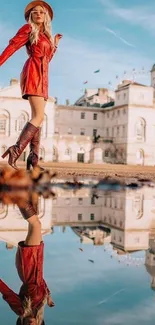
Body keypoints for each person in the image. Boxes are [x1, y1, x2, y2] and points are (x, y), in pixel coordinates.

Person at [1, 0, 62, 170]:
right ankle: (16, 150)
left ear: (46, 16)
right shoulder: (28, 29)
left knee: (39, 117)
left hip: (43, 75)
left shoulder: (45, 35)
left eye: (41, 12)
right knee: (38, 117)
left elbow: (47, 59)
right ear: (30, 16)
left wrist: (54, 45)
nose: (38, 14)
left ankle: (33, 162)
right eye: (34, 12)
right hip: (33, 72)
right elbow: (12, 47)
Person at [0, 197, 54, 325]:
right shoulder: (39, 306)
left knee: (35, 224)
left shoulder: (21, 310)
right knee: (35, 224)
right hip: (37, 264)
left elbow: (6, 293)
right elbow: (41, 283)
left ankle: (15, 193)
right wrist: (48, 295)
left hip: (28, 268)